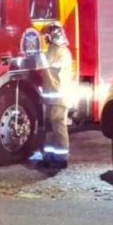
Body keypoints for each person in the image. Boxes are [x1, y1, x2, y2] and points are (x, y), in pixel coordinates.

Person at [39, 22, 73, 169]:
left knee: (58, 127)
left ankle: (61, 158)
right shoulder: (57, 50)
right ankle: (48, 157)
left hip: (59, 98)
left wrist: (34, 53)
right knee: (49, 127)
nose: (45, 38)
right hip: (53, 97)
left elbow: (42, 62)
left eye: (47, 35)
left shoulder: (58, 51)